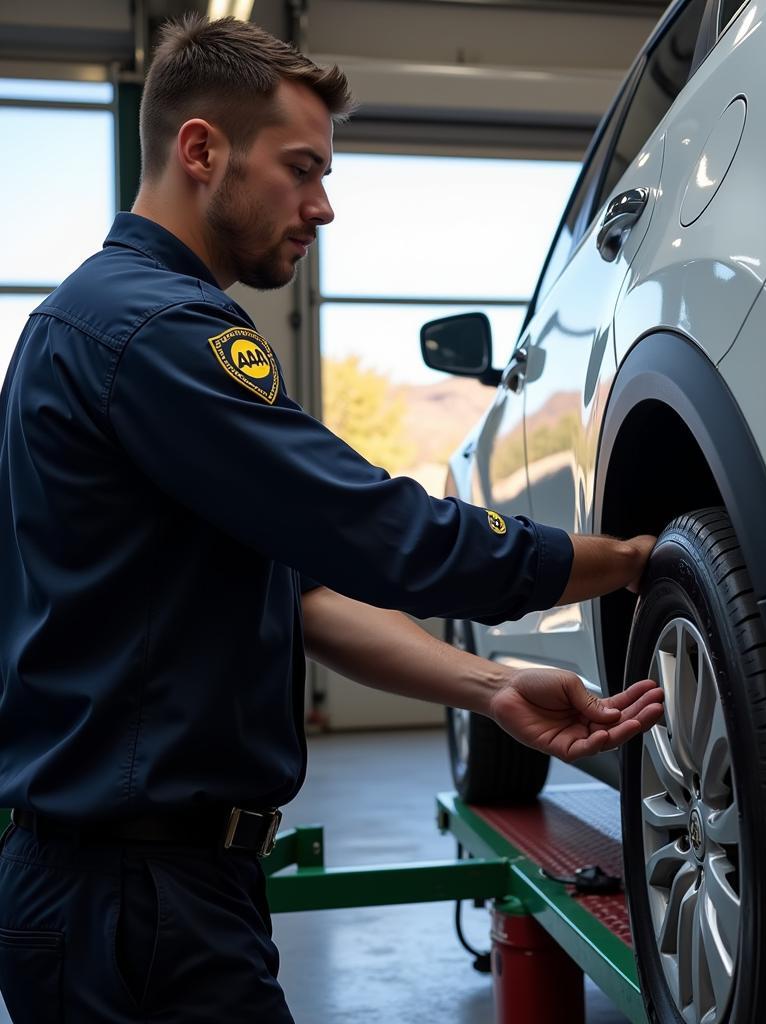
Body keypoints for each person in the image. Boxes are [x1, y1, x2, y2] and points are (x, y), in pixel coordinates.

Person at [0, 14, 662, 1023]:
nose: (323, 206)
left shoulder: (110, 319)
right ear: (201, 149)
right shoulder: (157, 332)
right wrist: (617, 560)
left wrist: (491, 684)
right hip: (137, 902)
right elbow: (377, 530)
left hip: (140, 887)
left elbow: (300, 594)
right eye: (301, 169)